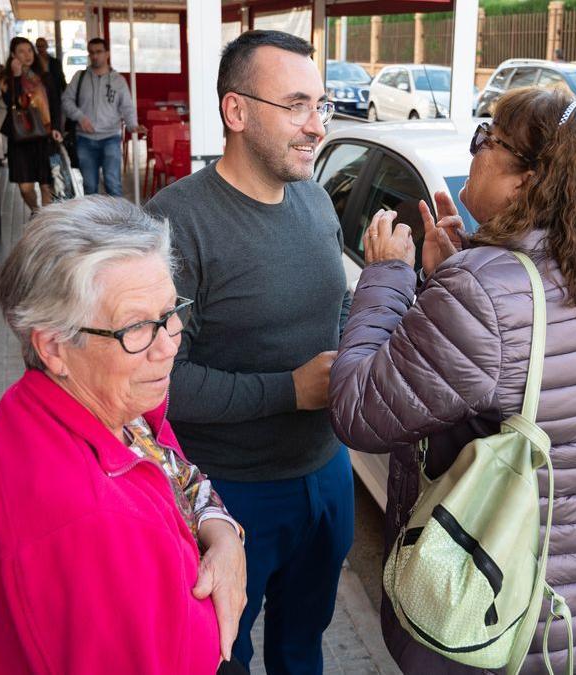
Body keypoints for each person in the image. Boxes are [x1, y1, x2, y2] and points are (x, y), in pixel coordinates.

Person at [328, 87, 576, 674]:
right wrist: (450, 278)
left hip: (493, 618)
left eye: (488, 138)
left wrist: (385, 277)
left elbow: (358, 410)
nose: (474, 147)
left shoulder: (486, 291)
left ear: (530, 179)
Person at [0, 198, 247, 674]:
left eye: (170, 311)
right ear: (54, 346)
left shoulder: (93, 408)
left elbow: (177, 475)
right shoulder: (87, 519)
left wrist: (224, 538)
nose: (168, 345)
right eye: (137, 326)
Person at [146, 30, 350, 674]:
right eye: (296, 105)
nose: (316, 126)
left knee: (303, 646)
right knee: (218, 655)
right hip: (227, 498)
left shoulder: (317, 202)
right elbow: (157, 381)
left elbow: (337, 312)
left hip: (327, 475)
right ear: (236, 112)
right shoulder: (175, 224)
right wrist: (289, 390)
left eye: (321, 105)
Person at [63, 37, 143, 197]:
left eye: (98, 52)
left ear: (107, 54)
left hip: (111, 138)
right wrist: (80, 117)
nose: (95, 56)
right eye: (91, 52)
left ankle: (119, 221)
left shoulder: (118, 80)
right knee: (89, 186)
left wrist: (133, 124)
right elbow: (66, 100)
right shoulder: (80, 77)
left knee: (113, 184)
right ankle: (92, 221)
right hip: (85, 139)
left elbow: (126, 106)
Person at [1, 36, 62, 214]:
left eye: (29, 50)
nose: (27, 55)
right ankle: (36, 212)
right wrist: (18, 76)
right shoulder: (7, 79)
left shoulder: (45, 76)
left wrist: (57, 128)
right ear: (13, 55)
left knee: (46, 185)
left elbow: (56, 103)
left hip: (45, 136)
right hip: (21, 138)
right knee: (25, 188)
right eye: (21, 51)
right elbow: (12, 102)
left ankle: (45, 223)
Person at [36, 36, 67, 102]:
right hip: (39, 96)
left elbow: (61, 78)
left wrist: (66, 93)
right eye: (38, 46)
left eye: (42, 46)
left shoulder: (55, 62)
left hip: (54, 95)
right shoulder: (33, 63)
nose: (41, 49)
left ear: (46, 46)